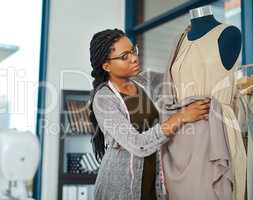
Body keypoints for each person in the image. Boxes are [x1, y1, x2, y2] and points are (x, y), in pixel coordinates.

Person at [88, 28, 210, 200]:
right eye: (125, 56)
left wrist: (186, 42)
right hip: (119, 190)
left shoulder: (145, 81)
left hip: (153, 182)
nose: (134, 58)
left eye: (133, 50)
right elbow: (138, 144)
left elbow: (176, 75)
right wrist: (181, 117)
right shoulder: (104, 99)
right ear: (107, 66)